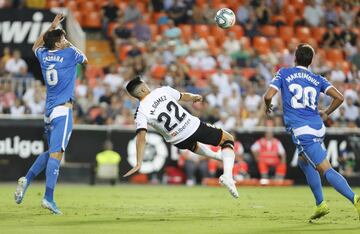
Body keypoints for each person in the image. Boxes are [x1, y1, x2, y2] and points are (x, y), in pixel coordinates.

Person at [263, 43, 360, 221]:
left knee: (325, 168)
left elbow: (268, 95)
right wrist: (326, 113)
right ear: (311, 61)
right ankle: (321, 204)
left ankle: (355, 199)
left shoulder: (284, 73)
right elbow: (339, 97)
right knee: (304, 162)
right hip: (318, 126)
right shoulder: (318, 79)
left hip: (302, 130)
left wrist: (268, 106)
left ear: (295, 58)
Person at [14, 14, 87, 214]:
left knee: (52, 151)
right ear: (57, 42)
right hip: (63, 110)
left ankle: (27, 179)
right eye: (62, 38)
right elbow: (85, 57)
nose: (65, 40)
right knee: (57, 153)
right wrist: (65, 39)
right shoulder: (69, 54)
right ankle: (48, 197)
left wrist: (53, 26)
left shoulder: (44, 55)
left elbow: (35, 46)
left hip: (49, 111)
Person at [124, 76, 239, 198]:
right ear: (142, 90)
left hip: (178, 140)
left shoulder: (140, 112)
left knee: (194, 145)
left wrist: (138, 162)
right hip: (192, 127)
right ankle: (228, 176)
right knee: (228, 139)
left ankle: (217, 156)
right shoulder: (161, 91)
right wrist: (195, 97)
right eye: (145, 85)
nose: (148, 86)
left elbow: (141, 137)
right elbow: (183, 96)